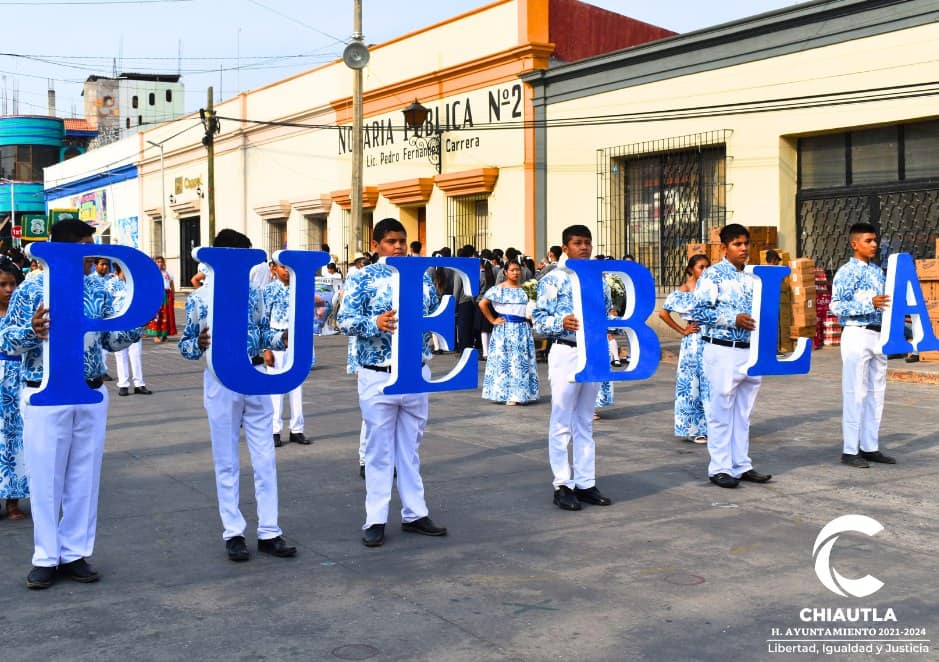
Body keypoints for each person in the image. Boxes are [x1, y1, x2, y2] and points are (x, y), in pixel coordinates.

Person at [0, 218, 143, 589]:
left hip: (91, 391)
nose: (92, 254)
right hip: (45, 393)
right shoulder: (31, 289)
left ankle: (75, 552)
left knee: (84, 476)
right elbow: (7, 340)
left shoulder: (99, 287)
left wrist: (136, 320)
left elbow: (112, 341)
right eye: (85, 246)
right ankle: (46, 556)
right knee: (45, 477)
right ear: (67, 248)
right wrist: (31, 331)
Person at [178, 229, 297, 562]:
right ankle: (233, 532)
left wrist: (283, 338)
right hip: (220, 380)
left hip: (256, 374)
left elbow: (262, 334)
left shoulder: (254, 294)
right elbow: (186, 345)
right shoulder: (200, 297)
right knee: (226, 460)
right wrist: (197, 344)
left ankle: (270, 531)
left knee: (265, 458)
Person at [338, 217, 447, 548]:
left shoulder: (423, 279)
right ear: (376, 245)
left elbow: (433, 313)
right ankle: (375, 518)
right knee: (378, 450)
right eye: (390, 241)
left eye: (402, 240)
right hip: (377, 373)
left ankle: (415, 513)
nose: (398, 246)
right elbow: (344, 321)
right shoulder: (363, 278)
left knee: (410, 449)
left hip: (415, 370)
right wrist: (375, 322)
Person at [532, 224, 613, 511]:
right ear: (565, 247)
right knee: (562, 419)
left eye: (588, 242)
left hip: (591, 351)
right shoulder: (553, 279)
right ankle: (562, 484)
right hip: (565, 351)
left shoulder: (598, 279)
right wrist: (560, 323)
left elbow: (606, 311)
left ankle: (586, 482)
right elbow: (539, 320)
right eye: (578, 243)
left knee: (585, 419)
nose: (584, 248)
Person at [691, 224, 772, 489]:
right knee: (721, 410)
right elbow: (697, 312)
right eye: (738, 244)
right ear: (724, 248)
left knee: (743, 412)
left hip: (750, 351)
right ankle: (720, 468)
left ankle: (741, 464)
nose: (744, 249)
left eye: (746, 243)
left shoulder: (753, 277)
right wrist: (731, 319)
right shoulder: (713, 276)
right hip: (722, 348)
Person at [829, 222, 896, 469]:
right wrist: (869, 304)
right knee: (855, 391)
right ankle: (849, 449)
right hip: (857, 333)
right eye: (868, 240)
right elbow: (836, 306)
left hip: (879, 335)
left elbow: (885, 304)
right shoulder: (846, 272)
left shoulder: (879, 272)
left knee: (876, 392)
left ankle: (870, 446)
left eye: (875, 240)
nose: (874, 245)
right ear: (854, 244)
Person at [659, 254, 711, 443]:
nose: (705, 271)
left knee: (711, 384)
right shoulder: (681, 292)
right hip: (692, 343)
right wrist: (683, 330)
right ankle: (694, 429)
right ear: (691, 269)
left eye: (707, 267)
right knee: (691, 386)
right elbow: (663, 314)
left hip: (712, 340)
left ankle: (713, 427)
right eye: (701, 267)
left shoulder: (712, 289)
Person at [263, 259, 309, 447]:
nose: (286, 271)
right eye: (282, 267)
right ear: (274, 268)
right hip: (276, 340)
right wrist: (266, 348)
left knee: (297, 387)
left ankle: (297, 429)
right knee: (275, 388)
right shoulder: (268, 290)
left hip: (296, 342)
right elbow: (263, 321)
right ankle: (274, 430)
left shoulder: (300, 288)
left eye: (288, 267)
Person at [479, 261, 539, 405]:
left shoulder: (526, 289)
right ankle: (505, 394)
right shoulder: (498, 289)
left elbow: (532, 306)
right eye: (512, 270)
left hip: (522, 328)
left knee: (520, 361)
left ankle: (521, 393)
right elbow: (482, 304)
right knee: (505, 361)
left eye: (518, 270)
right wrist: (492, 320)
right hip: (505, 329)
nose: (516, 273)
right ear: (505, 272)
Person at [0, 256, 27, 521]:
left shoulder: (23, 314)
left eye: (12, 284)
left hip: (19, 381)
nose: (9, 290)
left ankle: (13, 501)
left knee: (16, 439)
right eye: (3, 284)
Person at [109, 264, 153, 396]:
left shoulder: (136, 283)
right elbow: (106, 303)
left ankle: (139, 384)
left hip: (134, 323)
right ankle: (123, 385)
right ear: (119, 269)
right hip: (118, 323)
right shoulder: (111, 283)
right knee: (121, 355)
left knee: (135, 354)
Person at [146, 256, 177, 343]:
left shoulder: (167, 273)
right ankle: (156, 335)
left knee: (166, 316)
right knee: (157, 316)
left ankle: (164, 334)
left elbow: (171, 285)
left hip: (167, 295)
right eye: (157, 262)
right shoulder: (152, 273)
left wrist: (173, 296)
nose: (159, 263)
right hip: (157, 295)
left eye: (161, 262)